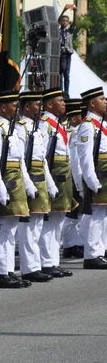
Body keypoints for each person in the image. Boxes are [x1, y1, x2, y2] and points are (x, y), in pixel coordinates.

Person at [0, 91, 36, 289]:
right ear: (3, 107)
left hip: (16, 182)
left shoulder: (12, 129)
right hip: (5, 183)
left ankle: (8, 270)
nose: (17, 109)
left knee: (11, 229)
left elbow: (20, 161)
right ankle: (0, 273)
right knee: (2, 230)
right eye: (13, 106)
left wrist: (29, 185)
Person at [15, 91, 57, 283]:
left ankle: (36, 264)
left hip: (40, 176)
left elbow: (43, 161)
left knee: (38, 224)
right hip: (30, 177)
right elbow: (22, 161)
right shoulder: (21, 128)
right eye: (35, 104)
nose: (39, 107)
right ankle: (29, 267)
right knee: (29, 226)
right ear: (26, 107)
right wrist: (28, 184)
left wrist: (50, 183)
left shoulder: (36, 128)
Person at [39, 88, 74, 278]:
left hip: (63, 171)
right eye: (60, 101)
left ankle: (53, 261)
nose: (64, 104)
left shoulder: (58, 123)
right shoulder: (45, 124)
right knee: (50, 220)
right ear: (49, 104)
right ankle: (46, 261)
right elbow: (42, 155)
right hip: (53, 173)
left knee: (59, 220)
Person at [77, 87, 107, 269]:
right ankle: (92, 254)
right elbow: (85, 157)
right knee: (96, 214)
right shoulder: (88, 125)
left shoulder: (100, 124)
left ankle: (100, 250)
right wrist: (91, 180)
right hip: (98, 175)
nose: (105, 102)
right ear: (92, 103)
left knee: (103, 215)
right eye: (102, 99)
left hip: (104, 174)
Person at [62, 99, 85, 258]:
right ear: (74, 117)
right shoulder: (75, 133)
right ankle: (63, 244)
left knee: (76, 215)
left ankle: (71, 245)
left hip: (76, 179)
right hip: (73, 179)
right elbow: (75, 161)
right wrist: (79, 184)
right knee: (70, 216)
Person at [59, 4, 77, 93]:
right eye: (63, 21)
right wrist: (64, 10)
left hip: (68, 55)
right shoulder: (58, 31)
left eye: (66, 21)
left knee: (67, 74)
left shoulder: (69, 31)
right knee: (60, 74)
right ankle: (60, 91)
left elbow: (74, 23)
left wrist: (75, 12)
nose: (64, 22)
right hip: (60, 55)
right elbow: (57, 21)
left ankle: (66, 92)